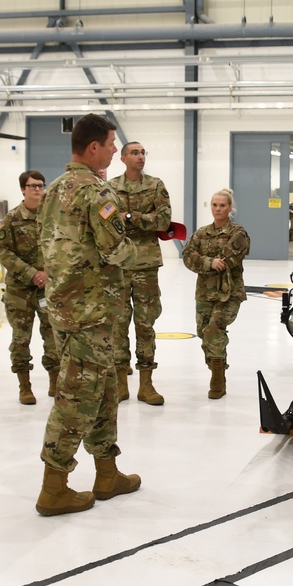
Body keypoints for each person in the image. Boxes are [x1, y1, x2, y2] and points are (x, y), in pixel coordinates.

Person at [35, 113, 141, 516]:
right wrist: (143, 248)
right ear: (94, 148)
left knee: (105, 391)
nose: (115, 150)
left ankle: (107, 472)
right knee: (76, 398)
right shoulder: (97, 193)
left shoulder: (54, 189)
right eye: (112, 143)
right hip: (91, 312)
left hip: (65, 308)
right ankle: (53, 487)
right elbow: (116, 249)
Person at [109, 141, 171, 406]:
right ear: (123, 158)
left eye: (143, 152)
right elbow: (107, 221)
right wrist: (146, 217)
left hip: (145, 265)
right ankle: (121, 383)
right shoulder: (110, 188)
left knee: (146, 325)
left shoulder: (156, 185)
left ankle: (146, 385)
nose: (140, 156)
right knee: (118, 325)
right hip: (119, 265)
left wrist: (131, 216)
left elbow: (164, 220)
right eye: (134, 152)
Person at [0, 170, 58, 405]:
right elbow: (5, 252)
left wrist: (48, 274)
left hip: (47, 288)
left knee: (52, 335)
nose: (37, 190)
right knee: (21, 339)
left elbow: (60, 248)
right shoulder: (12, 219)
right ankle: (25, 386)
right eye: (32, 186)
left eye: (40, 186)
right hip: (19, 290)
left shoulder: (51, 217)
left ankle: (54, 380)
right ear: (23, 189)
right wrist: (32, 274)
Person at [182, 188, 250, 399]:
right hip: (204, 293)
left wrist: (205, 260)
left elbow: (230, 258)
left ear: (230, 208)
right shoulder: (202, 233)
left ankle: (218, 379)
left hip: (229, 293)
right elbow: (187, 255)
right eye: (214, 205)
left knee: (213, 330)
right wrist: (208, 262)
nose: (218, 209)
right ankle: (216, 366)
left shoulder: (238, 233)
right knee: (204, 334)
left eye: (222, 205)